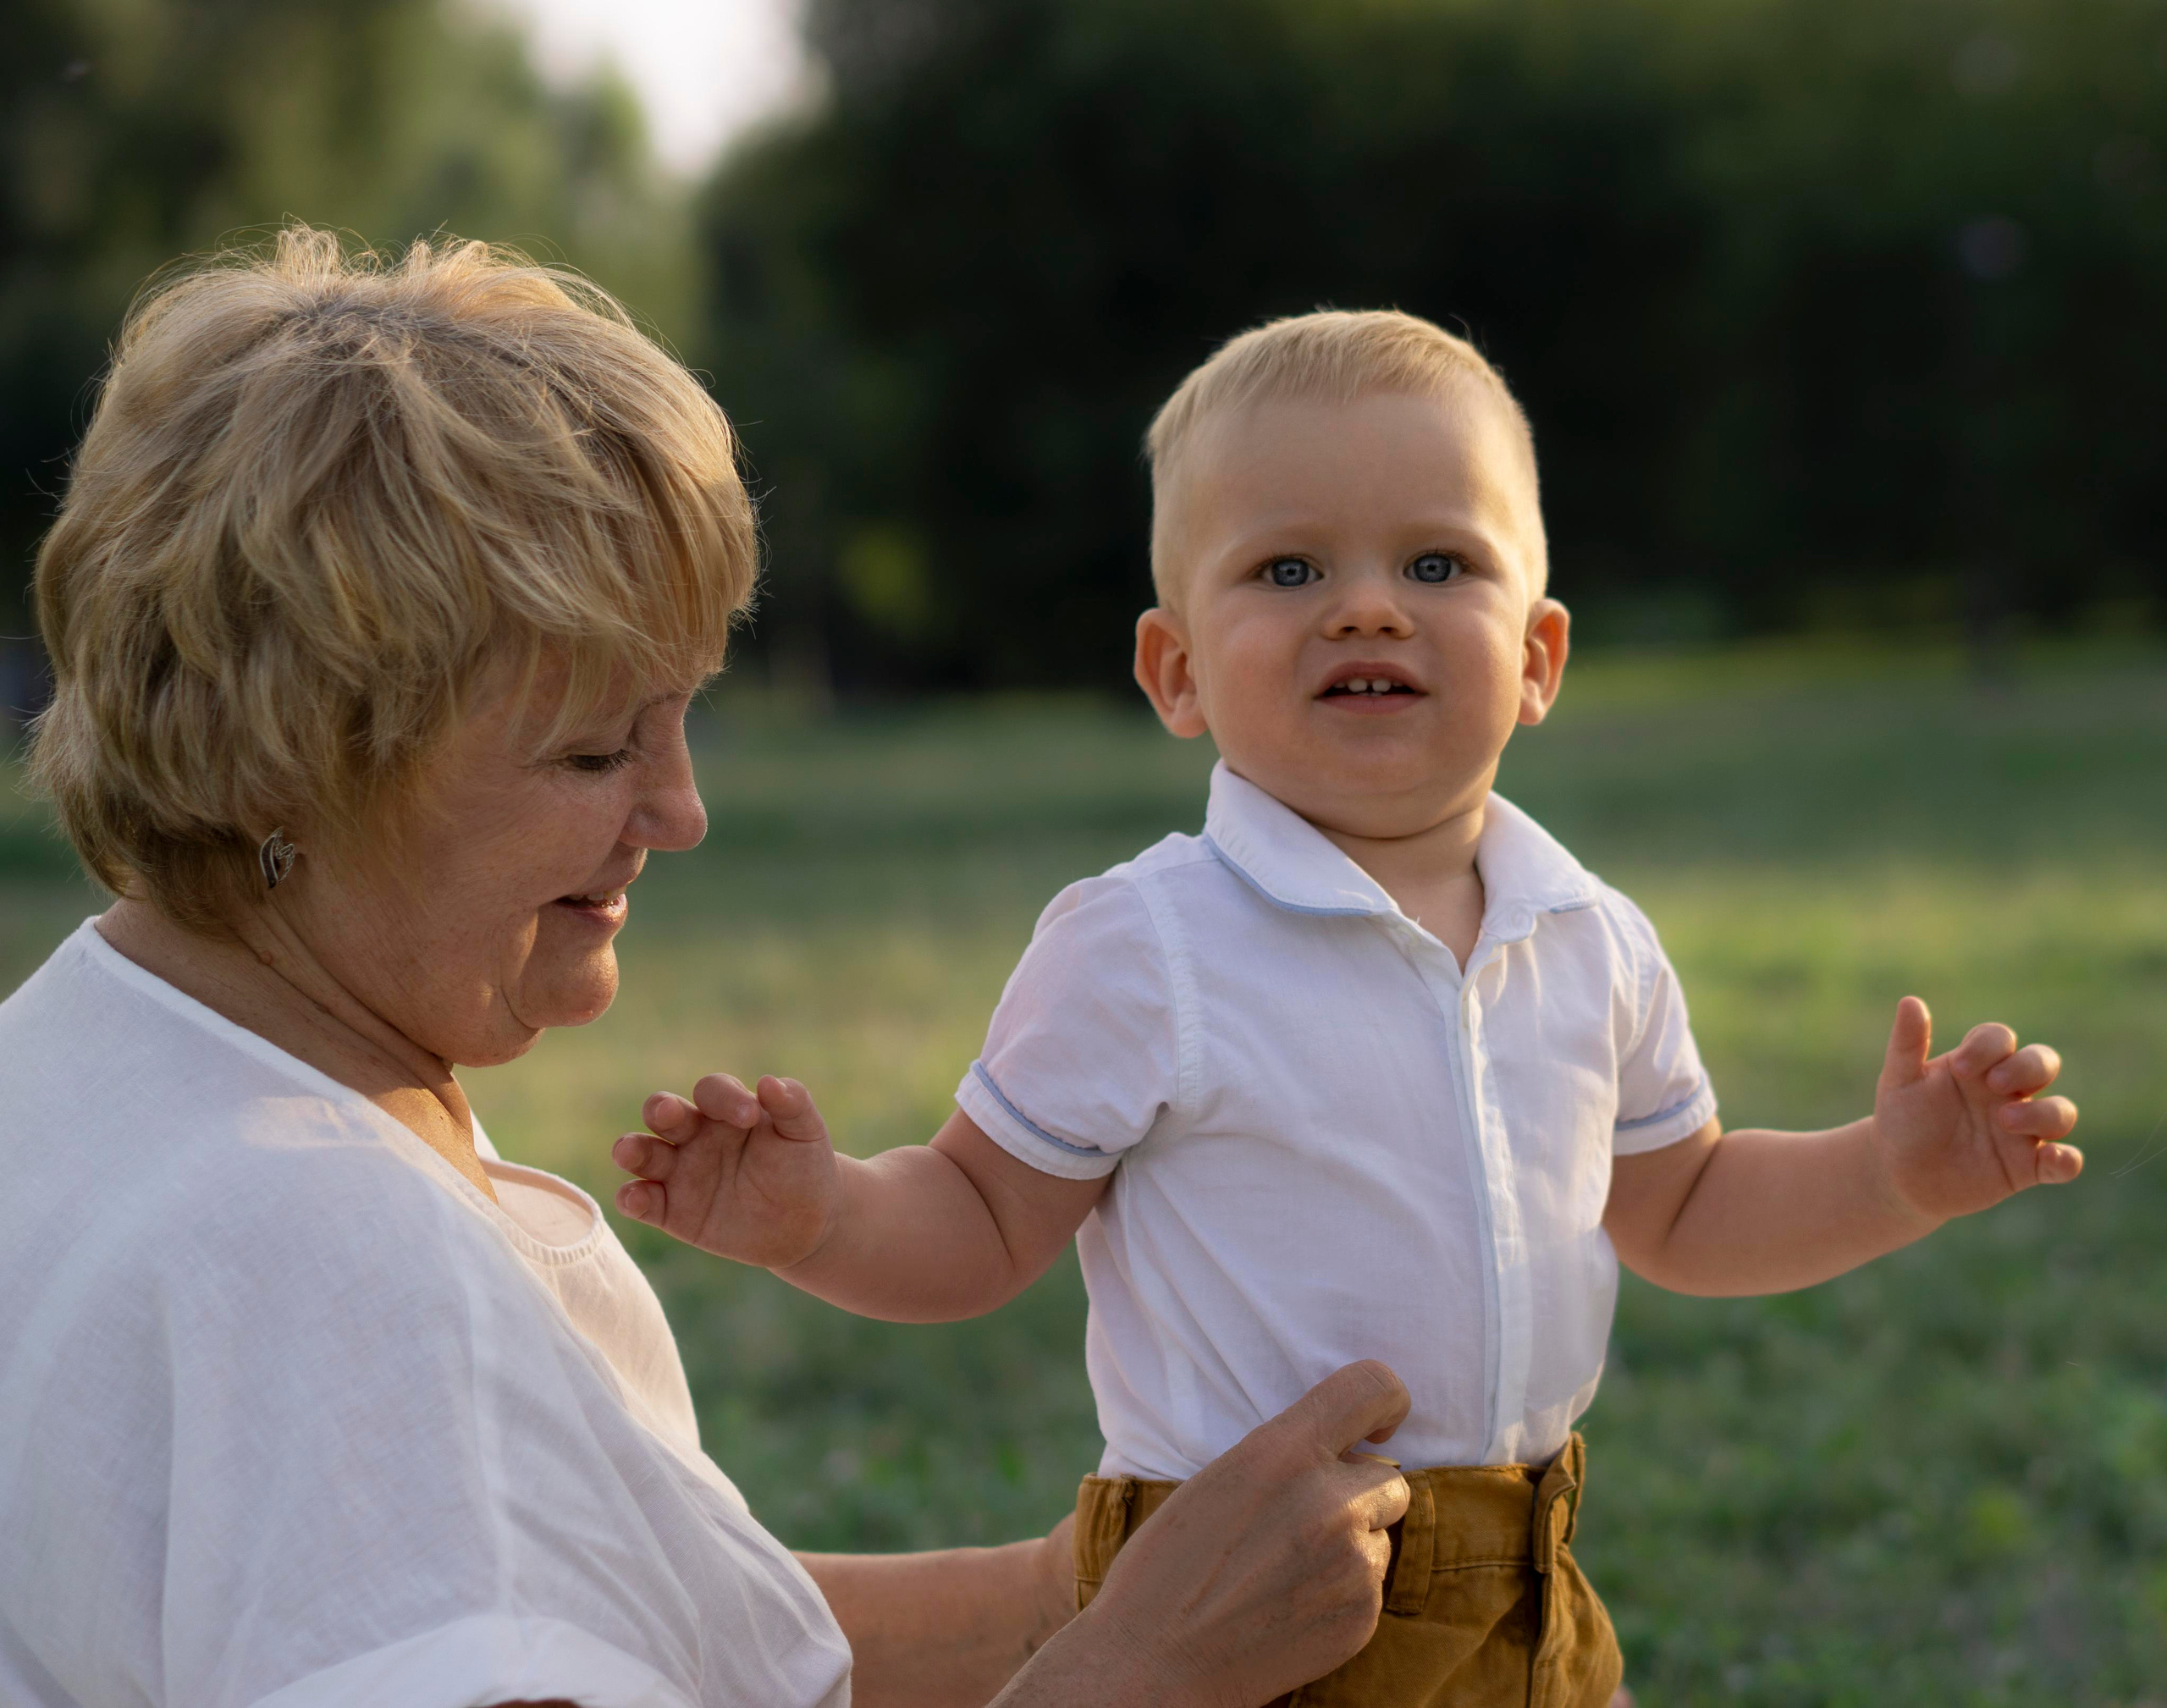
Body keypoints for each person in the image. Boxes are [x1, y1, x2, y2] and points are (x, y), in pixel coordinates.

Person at [0, 231, 1420, 1708]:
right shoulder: (324, 1252)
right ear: (294, 761)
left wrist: (1071, 1590)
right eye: (596, 749)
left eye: (679, 719)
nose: (680, 812)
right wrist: (1148, 1665)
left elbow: (604, 1610)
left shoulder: (113, 1053)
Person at [610, 310, 2086, 1708]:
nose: (1369, 603)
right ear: (1175, 670)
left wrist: (1893, 1174)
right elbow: (978, 1219)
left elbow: (1688, 1205)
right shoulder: (1150, 945)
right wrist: (817, 1217)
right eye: (1290, 571)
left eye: (1439, 565)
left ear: (1540, 658)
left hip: (1528, 1570)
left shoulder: (1592, 940)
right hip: (1240, 1595)